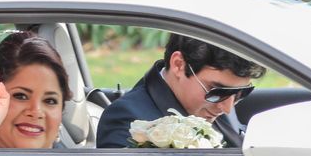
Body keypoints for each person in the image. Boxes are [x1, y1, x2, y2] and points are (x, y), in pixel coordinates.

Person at [96, 34, 266, 148]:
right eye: (218, 91)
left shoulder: (222, 100)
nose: (227, 108)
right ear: (178, 64)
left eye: (241, 93)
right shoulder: (128, 119)